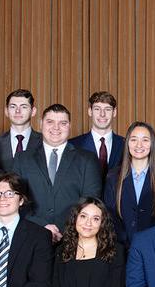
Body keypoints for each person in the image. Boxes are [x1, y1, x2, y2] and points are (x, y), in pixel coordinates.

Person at [11, 103, 102, 243]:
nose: (56, 127)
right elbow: (15, 201)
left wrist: (65, 229)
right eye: (50, 122)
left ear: (69, 126)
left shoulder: (87, 159)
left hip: (74, 240)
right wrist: (42, 226)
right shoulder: (22, 159)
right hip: (31, 237)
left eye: (63, 123)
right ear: (40, 123)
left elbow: (91, 202)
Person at [103, 121, 155, 247]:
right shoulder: (113, 176)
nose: (139, 145)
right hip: (121, 247)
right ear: (127, 143)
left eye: (145, 140)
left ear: (152, 144)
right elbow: (109, 214)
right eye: (134, 140)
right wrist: (123, 239)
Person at [70, 91, 125, 176]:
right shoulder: (72, 145)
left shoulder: (126, 145)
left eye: (107, 109)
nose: (102, 114)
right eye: (97, 109)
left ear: (114, 112)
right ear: (90, 112)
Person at [0, 88, 43, 171]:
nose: (18, 111)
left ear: (33, 111)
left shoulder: (45, 142)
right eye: (13, 106)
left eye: (24, 107)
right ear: (6, 111)